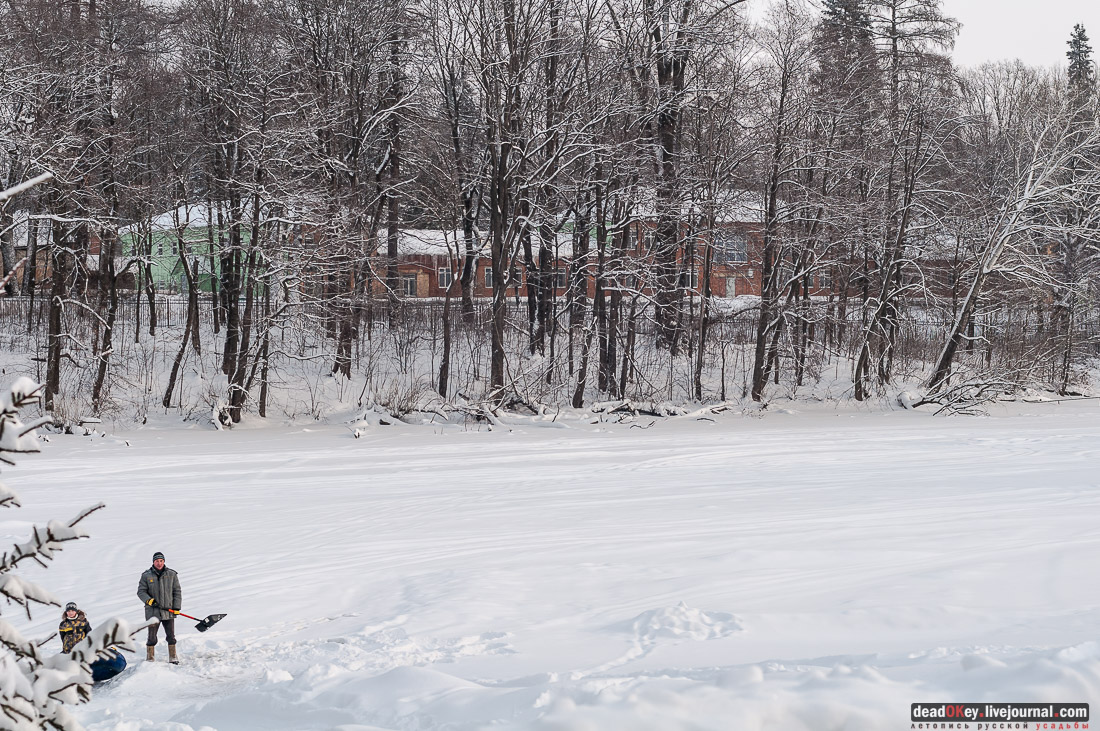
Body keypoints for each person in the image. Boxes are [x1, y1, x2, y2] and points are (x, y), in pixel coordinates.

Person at [59, 601, 127, 681]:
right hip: (70, 651)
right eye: (68, 611)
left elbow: (90, 635)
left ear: (76, 611)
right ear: (66, 612)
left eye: (72, 611)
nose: (70, 613)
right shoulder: (63, 624)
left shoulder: (83, 622)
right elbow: (63, 637)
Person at [136, 551, 182, 664]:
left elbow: (177, 591)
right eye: (157, 561)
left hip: (168, 611)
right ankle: (150, 658)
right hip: (153, 612)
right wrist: (149, 600)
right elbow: (141, 591)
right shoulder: (146, 575)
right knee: (152, 637)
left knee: (171, 636)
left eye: (161, 561)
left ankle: (173, 657)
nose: (159, 563)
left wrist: (177, 607)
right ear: (153, 562)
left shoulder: (172, 574)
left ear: (164, 561)